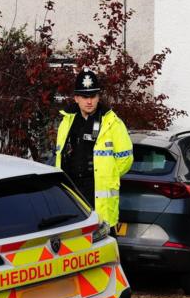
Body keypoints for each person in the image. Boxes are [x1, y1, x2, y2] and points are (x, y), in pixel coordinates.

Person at [54, 70, 133, 228]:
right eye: (84, 97)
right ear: (76, 98)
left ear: (98, 97)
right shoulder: (66, 121)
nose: (89, 101)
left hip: (98, 192)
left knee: (103, 244)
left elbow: (126, 159)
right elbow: (59, 155)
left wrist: (107, 175)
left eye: (93, 96)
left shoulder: (112, 123)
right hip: (73, 191)